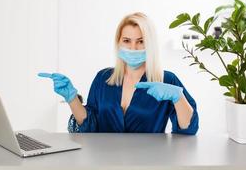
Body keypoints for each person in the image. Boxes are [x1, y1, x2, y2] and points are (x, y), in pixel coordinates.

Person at [38, 12, 198, 134]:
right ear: (118, 42)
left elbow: (188, 130)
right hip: (104, 162)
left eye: (141, 41)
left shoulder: (166, 80)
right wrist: (72, 99)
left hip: (148, 162)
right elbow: (89, 127)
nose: (133, 48)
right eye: (127, 41)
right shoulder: (103, 78)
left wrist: (179, 97)